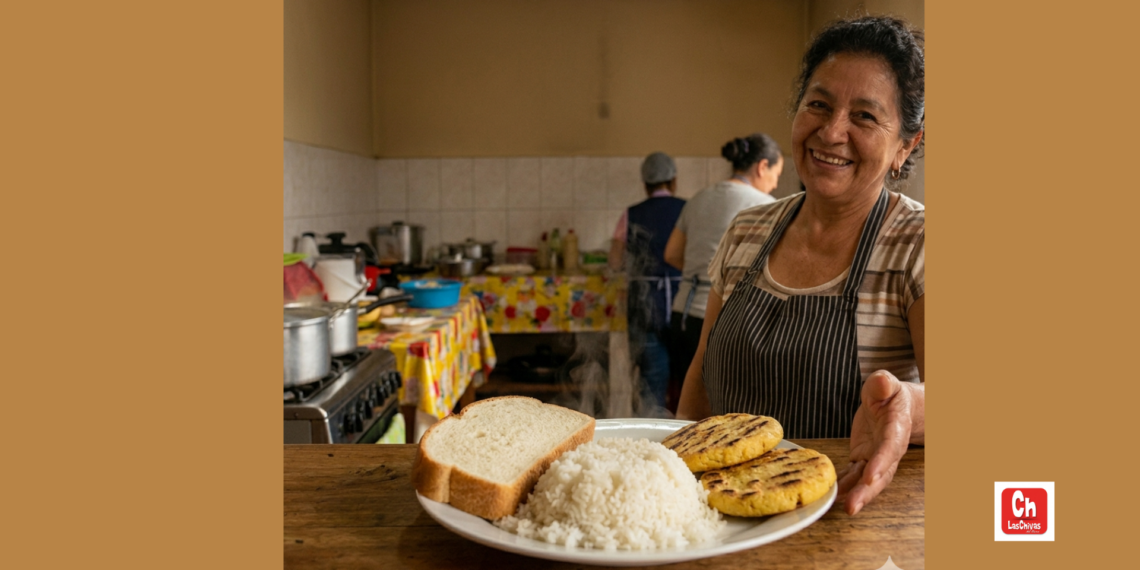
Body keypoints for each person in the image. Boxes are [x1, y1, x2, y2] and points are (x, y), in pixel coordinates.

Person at [676, 15, 926, 517]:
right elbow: (702, 375)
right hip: (720, 518)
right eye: (819, 104)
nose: (831, 132)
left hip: (849, 518)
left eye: (865, 116)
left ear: (905, 145)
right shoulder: (746, 231)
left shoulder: (918, 244)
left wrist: (911, 407)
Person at [662, 133, 784, 411]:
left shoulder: (698, 198)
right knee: (723, 405)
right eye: (776, 173)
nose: (775, 183)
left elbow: (671, 254)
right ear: (762, 166)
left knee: (686, 400)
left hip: (683, 312)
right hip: (723, 319)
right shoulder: (765, 205)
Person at [609, 152, 686, 409]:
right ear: (673, 181)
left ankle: (651, 438)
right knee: (685, 380)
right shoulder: (687, 209)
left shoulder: (631, 214)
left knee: (652, 381)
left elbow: (615, 262)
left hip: (644, 305)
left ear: (645, 184)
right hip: (682, 305)